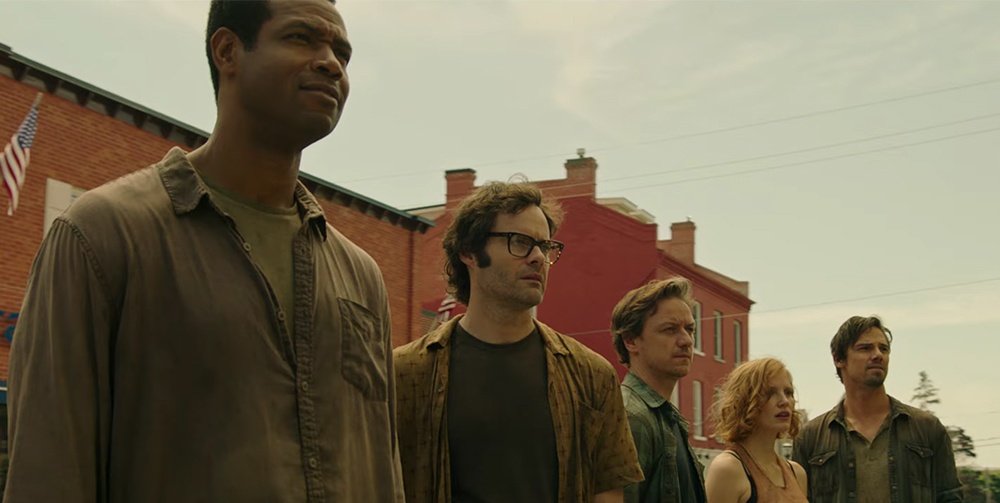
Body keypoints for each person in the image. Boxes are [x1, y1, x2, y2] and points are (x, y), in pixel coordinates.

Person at [4, 0, 404, 501]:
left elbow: (384, 470)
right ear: (228, 51)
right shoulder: (104, 235)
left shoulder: (360, 276)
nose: (330, 63)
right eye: (302, 38)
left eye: (342, 53)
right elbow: (48, 472)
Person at [394, 181, 643, 502]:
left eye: (545, 246)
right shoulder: (406, 372)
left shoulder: (591, 374)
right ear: (469, 251)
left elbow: (607, 491)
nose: (538, 257)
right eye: (521, 242)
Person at [792, 315, 963, 503]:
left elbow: (950, 497)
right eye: (865, 348)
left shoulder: (926, 428)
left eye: (883, 348)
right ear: (839, 359)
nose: (877, 355)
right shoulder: (812, 438)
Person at [612, 277, 707, 503]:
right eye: (670, 329)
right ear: (631, 341)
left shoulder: (667, 418)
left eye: (690, 329)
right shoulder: (631, 417)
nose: (686, 340)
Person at [704, 357, 808, 503]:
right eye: (770, 393)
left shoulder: (797, 473)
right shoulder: (728, 469)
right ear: (746, 401)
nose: (784, 401)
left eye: (788, 392)